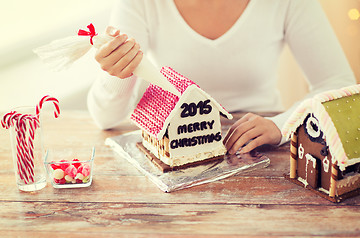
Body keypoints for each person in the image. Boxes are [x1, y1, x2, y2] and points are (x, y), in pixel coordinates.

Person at [87, 0, 356, 154]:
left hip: (260, 147)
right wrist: (118, 71)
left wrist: (283, 125)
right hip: (175, 143)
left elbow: (339, 84)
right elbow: (105, 118)